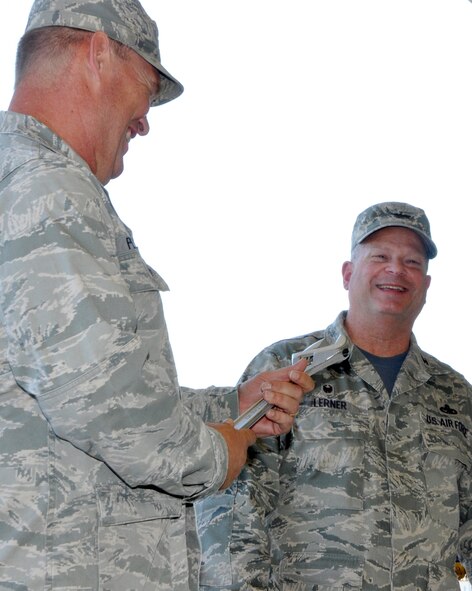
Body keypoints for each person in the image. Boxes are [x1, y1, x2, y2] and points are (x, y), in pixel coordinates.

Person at [0, 1, 315, 589]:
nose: (144, 120)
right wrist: (220, 456)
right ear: (97, 53)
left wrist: (233, 406)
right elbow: (104, 404)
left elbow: (76, 388)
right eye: (147, 86)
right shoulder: (50, 188)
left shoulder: (20, 178)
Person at [196, 201, 472, 590]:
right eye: (380, 256)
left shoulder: (456, 396)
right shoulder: (287, 368)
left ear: (426, 285)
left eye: (412, 262)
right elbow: (232, 508)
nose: (396, 270)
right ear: (348, 274)